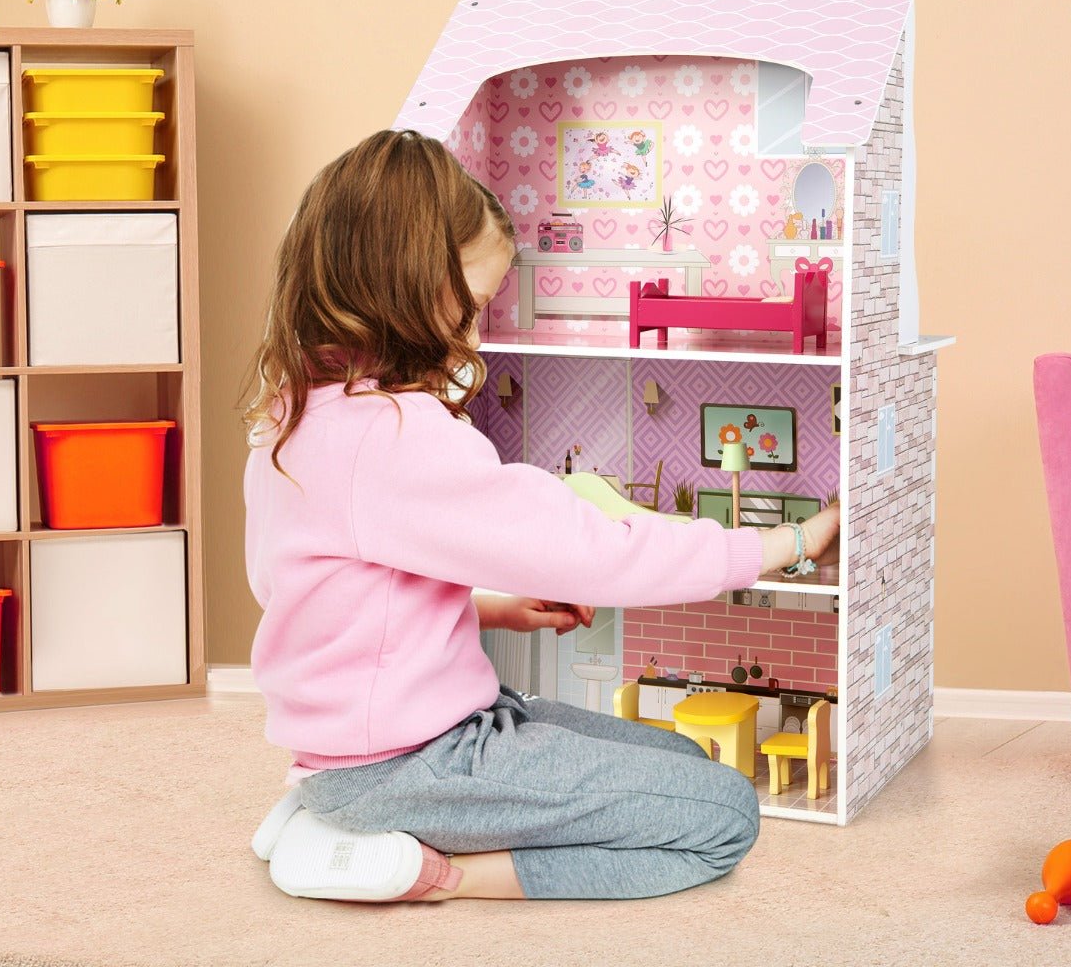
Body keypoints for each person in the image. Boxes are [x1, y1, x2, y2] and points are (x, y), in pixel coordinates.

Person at [242, 129, 841, 903]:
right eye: (472, 304)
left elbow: (326, 600)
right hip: (411, 761)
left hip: (388, 743)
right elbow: (599, 552)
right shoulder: (393, 434)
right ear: (407, 282)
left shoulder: (296, 417)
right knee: (724, 813)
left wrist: (489, 608)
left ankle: (322, 812)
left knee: (688, 768)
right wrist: (784, 543)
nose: (475, 331)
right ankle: (427, 873)